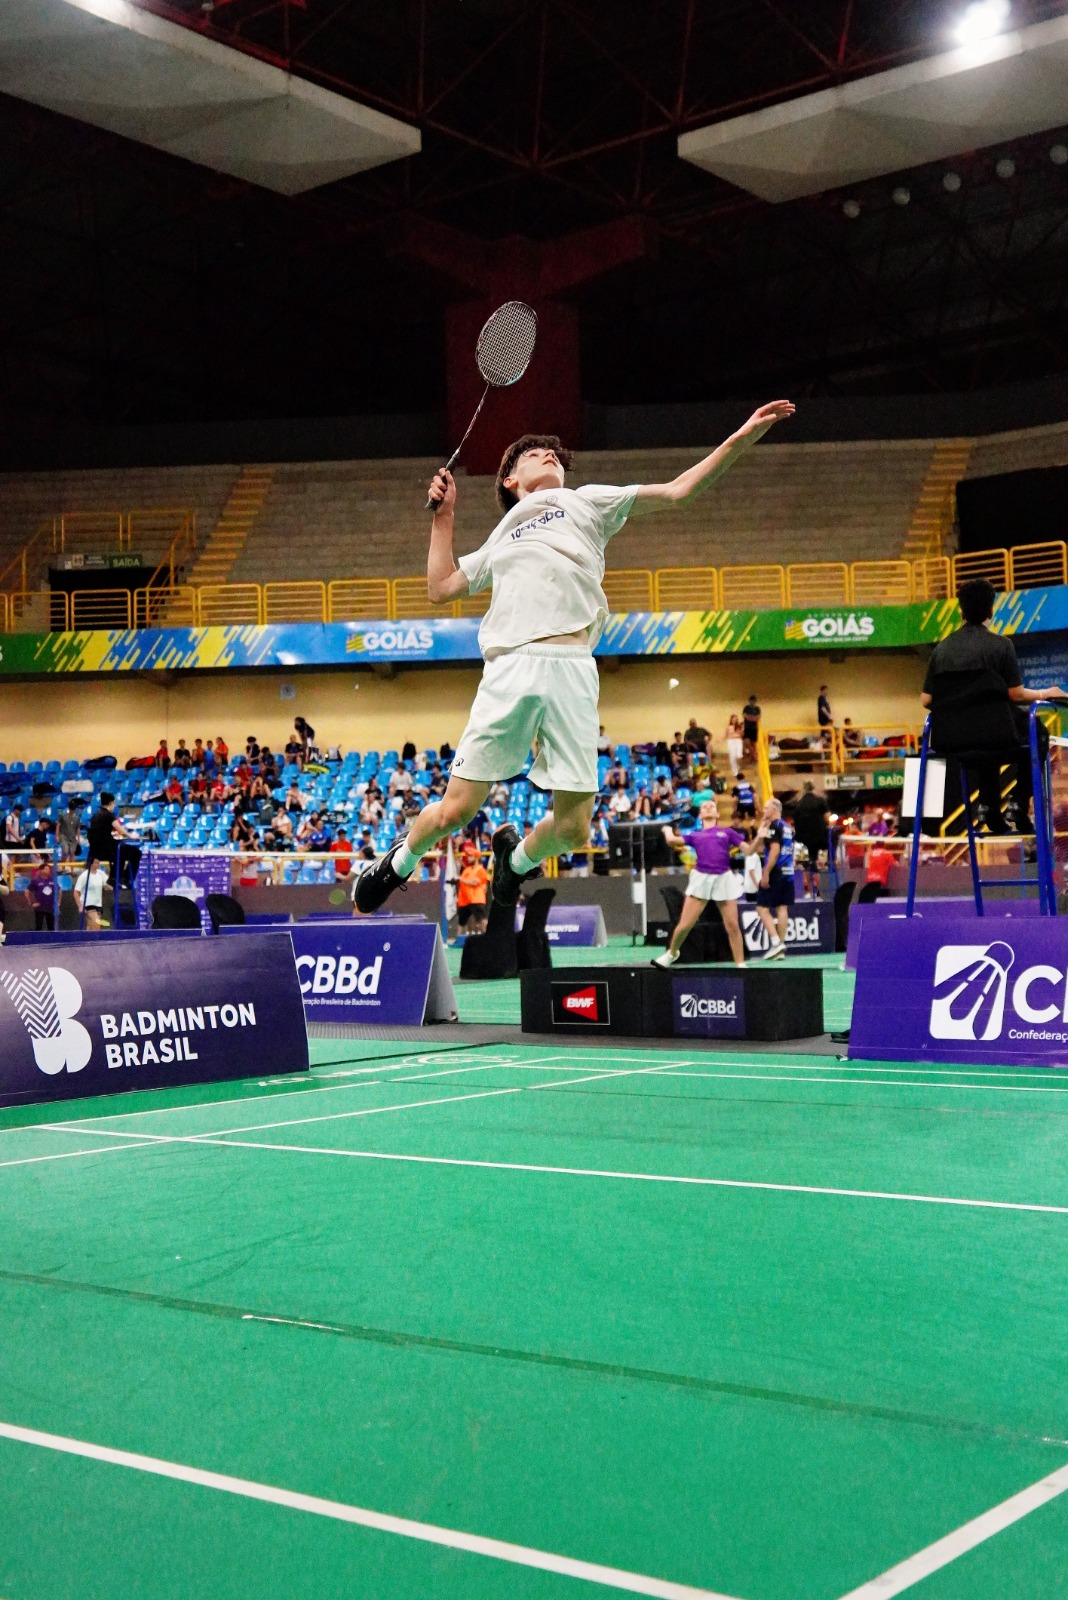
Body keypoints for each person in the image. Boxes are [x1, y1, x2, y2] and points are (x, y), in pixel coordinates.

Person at [356, 403, 796, 912]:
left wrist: (743, 433)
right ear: (509, 480)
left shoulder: (587, 503)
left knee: (573, 828)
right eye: (530, 453)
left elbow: (679, 491)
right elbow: (441, 587)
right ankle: (397, 864)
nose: (546, 454)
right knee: (455, 812)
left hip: (573, 672)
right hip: (511, 667)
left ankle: (515, 860)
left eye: (554, 454)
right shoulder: (503, 535)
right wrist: (445, 517)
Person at [922, 577, 1068, 833]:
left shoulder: (941, 650)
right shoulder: (1001, 646)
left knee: (986, 733)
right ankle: (1018, 803)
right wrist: (1048, 692)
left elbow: (926, 700)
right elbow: (1016, 694)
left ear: (961, 611)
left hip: (953, 743)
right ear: (991, 610)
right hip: (994, 736)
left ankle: (989, 808)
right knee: (1037, 732)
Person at [654, 798, 755, 968]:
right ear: (700, 815)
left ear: (717, 813)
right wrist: (666, 829)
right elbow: (672, 840)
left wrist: (759, 837)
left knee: (732, 925)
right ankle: (671, 954)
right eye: (704, 807)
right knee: (685, 925)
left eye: (712, 806)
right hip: (701, 878)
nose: (708, 808)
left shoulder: (727, 833)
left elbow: (749, 850)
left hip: (724, 878)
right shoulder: (695, 835)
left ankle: (740, 964)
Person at [753, 797, 795, 959]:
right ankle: (781, 948)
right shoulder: (787, 827)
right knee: (782, 907)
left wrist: (765, 872)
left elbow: (774, 850)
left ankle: (776, 942)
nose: (763, 811)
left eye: (765, 808)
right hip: (788, 871)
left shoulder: (774, 826)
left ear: (774, 810)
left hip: (776, 871)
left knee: (762, 908)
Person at [87, 792, 139, 885]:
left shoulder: (95, 815)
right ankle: (125, 878)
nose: (114, 806)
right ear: (110, 804)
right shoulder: (109, 815)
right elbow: (121, 831)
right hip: (107, 850)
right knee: (136, 853)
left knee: (121, 851)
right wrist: (131, 835)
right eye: (114, 803)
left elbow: (100, 832)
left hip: (94, 851)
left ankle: (115, 876)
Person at [793, 781, 829, 899]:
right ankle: (819, 891)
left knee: (806, 866)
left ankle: (808, 891)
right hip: (820, 839)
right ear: (814, 789)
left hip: (802, 840)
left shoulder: (799, 803)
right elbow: (827, 816)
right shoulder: (820, 801)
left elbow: (796, 822)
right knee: (820, 864)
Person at [456, 840, 490, 934]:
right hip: (464, 900)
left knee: (482, 920)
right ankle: (460, 939)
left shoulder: (481, 869)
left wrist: (462, 880)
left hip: (476, 899)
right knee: (461, 922)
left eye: (470, 856)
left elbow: (475, 882)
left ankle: (488, 936)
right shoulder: (466, 869)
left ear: (476, 857)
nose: (468, 858)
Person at [73, 858, 110, 931]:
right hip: (88, 904)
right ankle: (96, 941)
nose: (98, 864)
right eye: (96, 862)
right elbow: (76, 892)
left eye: (98, 862)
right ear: (91, 864)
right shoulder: (84, 875)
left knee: (90, 927)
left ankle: (87, 941)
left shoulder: (100, 873)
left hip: (98, 904)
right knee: (96, 926)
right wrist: (80, 906)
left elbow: (108, 884)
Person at [27, 857, 56, 931]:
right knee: (39, 926)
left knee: (51, 926)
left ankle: (51, 941)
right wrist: (32, 902)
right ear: (41, 870)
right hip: (39, 907)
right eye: (46, 869)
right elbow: (27, 891)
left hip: (50, 906)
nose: (48, 870)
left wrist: (58, 902)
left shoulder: (52, 880)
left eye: (49, 869)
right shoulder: (35, 881)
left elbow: (59, 890)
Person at [57, 798, 82, 864]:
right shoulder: (63, 817)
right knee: (65, 851)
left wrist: (78, 839)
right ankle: (63, 867)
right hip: (64, 836)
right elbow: (58, 825)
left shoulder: (77, 818)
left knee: (72, 852)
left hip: (72, 837)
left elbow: (78, 829)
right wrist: (57, 836)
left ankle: (72, 870)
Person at [742, 693, 761, 758]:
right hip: (747, 727)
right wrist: (753, 717)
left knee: (753, 743)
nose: (752, 702)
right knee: (747, 742)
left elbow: (757, 718)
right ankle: (754, 755)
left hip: (754, 728)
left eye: (754, 701)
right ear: (749, 701)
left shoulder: (757, 708)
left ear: (755, 701)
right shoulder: (746, 708)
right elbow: (745, 716)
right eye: (751, 700)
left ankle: (752, 756)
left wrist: (750, 717)